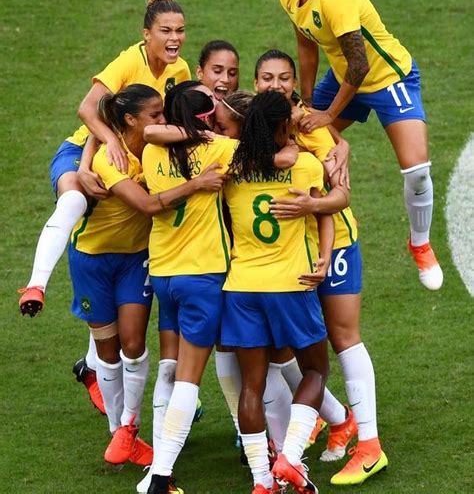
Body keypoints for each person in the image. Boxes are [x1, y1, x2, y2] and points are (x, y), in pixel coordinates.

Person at [18, 0, 191, 411]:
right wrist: (102, 149)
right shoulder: (129, 60)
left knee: (123, 255)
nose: (175, 38)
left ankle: (94, 366)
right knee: (76, 203)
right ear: (146, 33)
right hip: (82, 150)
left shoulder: (180, 68)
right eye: (166, 30)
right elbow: (87, 109)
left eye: (181, 30)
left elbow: (178, 116)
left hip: (128, 157)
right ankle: (36, 284)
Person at [277, 0, 442, 291]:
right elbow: (306, 44)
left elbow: (361, 66)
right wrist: (306, 104)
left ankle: (420, 244)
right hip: (342, 75)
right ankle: (302, 229)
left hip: (387, 78)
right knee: (298, 136)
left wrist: (327, 114)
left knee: (416, 171)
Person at [67, 84, 222, 466]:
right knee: (107, 352)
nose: (162, 120)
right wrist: (198, 183)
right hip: (92, 259)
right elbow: (150, 205)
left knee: (133, 344)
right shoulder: (111, 158)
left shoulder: (158, 149)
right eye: (155, 115)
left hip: (136, 258)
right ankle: (117, 433)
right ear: (132, 120)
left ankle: (129, 427)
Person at [258, 50, 388, 484]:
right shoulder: (255, 120)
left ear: (295, 83)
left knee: (343, 337)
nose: (274, 85)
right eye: (266, 78)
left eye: (283, 78)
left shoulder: (310, 124)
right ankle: (334, 417)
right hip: (288, 255)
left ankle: (369, 445)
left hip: (333, 247)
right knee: (282, 348)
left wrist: (312, 203)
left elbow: (340, 193)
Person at [221, 90, 334, 494]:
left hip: (241, 288)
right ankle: (290, 456)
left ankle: (262, 481)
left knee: (251, 386)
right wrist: (323, 257)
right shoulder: (304, 166)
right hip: (292, 285)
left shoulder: (231, 168)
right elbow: (325, 212)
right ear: (283, 125)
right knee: (316, 371)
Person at [139, 87, 237, 494]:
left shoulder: (150, 152)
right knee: (188, 379)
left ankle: (250, 438)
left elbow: (152, 135)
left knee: (177, 369)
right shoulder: (222, 151)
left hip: (164, 275)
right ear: (202, 119)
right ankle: (159, 476)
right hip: (204, 275)